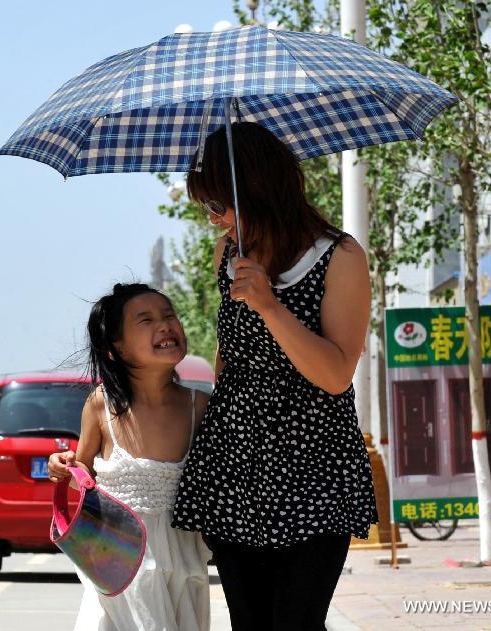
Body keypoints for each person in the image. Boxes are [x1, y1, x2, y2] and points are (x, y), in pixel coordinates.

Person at [171, 122, 380, 631]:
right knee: (250, 621)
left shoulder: (340, 256)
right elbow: (229, 359)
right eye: (207, 208)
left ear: (260, 190)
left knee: (298, 621)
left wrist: (270, 305)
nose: (214, 220)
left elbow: (335, 374)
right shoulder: (228, 257)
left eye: (219, 205)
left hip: (314, 467)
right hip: (235, 465)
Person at [49, 283, 211, 631]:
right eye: (146, 320)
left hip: (182, 555)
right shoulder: (101, 404)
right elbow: (81, 468)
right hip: (118, 557)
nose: (165, 325)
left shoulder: (199, 406)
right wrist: (61, 464)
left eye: (169, 315)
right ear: (115, 348)